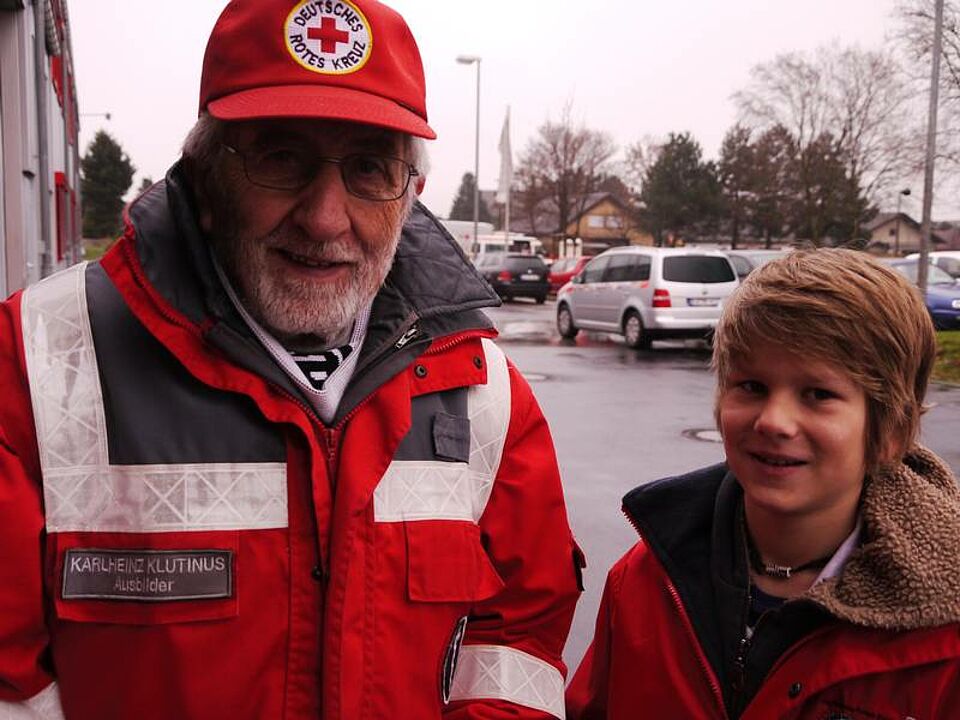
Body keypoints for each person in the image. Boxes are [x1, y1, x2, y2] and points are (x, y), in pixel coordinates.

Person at [0, 1, 582, 717]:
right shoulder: (35, 363)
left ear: (410, 196)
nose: (324, 219)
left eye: (368, 168)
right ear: (206, 181)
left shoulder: (484, 393)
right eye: (281, 159)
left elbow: (518, 637)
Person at [566, 248, 960, 718]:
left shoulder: (943, 626)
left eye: (818, 394)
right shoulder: (646, 577)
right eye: (751, 386)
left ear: (891, 430)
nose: (774, 421)